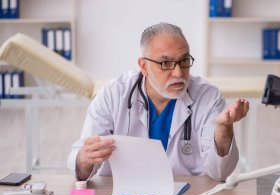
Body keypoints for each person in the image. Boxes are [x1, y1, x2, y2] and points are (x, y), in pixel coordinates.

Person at [67, 22, 249, 182]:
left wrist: (223, 130)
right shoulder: (113, 94)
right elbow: (80, 168)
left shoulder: (208, 97)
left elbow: (220, 174)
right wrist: (86, 158)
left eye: (184, 60)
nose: (178, 73)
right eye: (166, 63)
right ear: (144, 66)